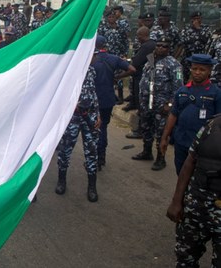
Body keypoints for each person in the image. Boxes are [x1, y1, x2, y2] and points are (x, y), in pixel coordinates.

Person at [166, 114, 221, 267]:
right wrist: (176, 201)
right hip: (198, 205)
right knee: (185, 258)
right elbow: (190, 161)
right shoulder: (211, 126)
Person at [160, 54, 221, 174]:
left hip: (203, 147)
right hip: (181, 142)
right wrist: (164, 137)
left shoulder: (216, 93)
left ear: (209, 71)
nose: (198, 72)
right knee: (181, 172)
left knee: (198, 179)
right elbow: (173, 115)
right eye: (195, 69)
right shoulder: (182, 91)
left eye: (202, 69)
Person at [133, 36, 183, 170]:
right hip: (146, 103)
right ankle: (146, 152)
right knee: (146, 128)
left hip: (162, 105)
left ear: (169, 48)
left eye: (164, 46)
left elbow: (178, 87)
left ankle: (161, 158)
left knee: (161, 133)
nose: (160, 48)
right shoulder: (150, 60)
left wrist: (170, 104)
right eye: (159, 45)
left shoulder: (174, 64)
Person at [55, 66, 100, 202]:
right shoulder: (69, 68)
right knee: (65, 151)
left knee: (92, 152)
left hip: (90, 117)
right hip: (71, 117)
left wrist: (98, 114)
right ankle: (61, 181)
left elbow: (94, 93)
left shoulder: (92, 70)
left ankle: (92, 187)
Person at [91, 35, 135, 168]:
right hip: (108, 99)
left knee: (91, 129)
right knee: (103, 127)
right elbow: (132, 69)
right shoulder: (114, 58)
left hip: (93, 99)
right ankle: (101, 157)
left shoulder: (90, 60)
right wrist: (117, 77)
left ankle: (93, 157)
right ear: (105, 46)